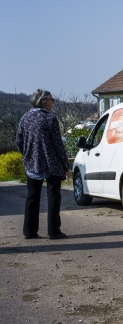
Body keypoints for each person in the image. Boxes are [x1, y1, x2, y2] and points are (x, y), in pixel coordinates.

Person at [16, 89, 71, 239]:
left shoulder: (25, 118)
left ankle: (29, 231)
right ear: (44, 101)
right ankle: (53, 231)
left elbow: (19, 141)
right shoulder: (50, 119)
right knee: (53, 197)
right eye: (52, 100)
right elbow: (58, 144)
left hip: (32, 163)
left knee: (32, 197)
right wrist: (66, 165)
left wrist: (27, 155)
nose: (53, 103)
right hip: (51, 163)